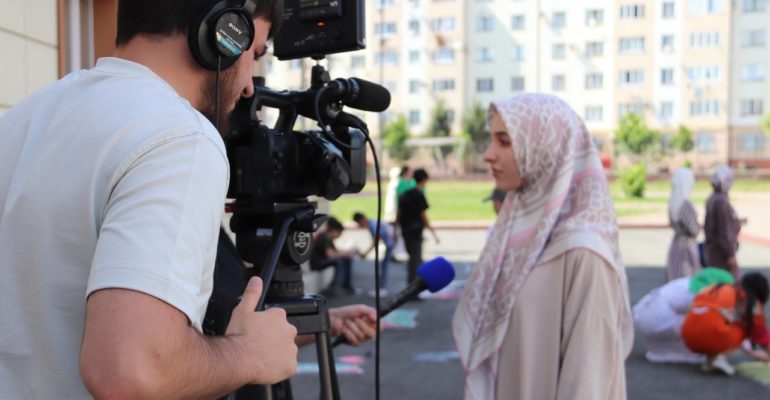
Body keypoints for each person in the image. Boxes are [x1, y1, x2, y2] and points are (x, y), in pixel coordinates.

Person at [0, 1, 300, 398]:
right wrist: (252, 354)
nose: (249, 86)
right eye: (254, 55)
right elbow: (131, 373)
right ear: (223, 32)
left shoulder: (23, 118)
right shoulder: (180, 137)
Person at [452, 93, 633, 400]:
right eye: (492, 140)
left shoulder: (584, 251)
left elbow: (587, 384)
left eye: (504, 142)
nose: (488, 154)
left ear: (546, 148)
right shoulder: (516, 230)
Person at [633, 267, 735, 365]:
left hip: (642, 314)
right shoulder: (702, 293)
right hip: (656, 320)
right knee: (703, 324)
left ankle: (661, 351)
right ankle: (686, 354)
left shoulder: (684, 283)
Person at [681, 272, 770, 375]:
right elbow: (761, 335)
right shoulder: (750, 301)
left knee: (720, 321)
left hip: (687, 335)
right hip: (710, 336)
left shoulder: (717, 287)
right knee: (746, 326)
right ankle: (717, 357)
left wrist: (751, 352)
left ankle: (711, 358)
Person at [397, 168, 440, 293]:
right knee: (415, 261)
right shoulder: (420, 195)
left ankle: (411, 287)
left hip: (405, 231)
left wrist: (396, 231)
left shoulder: (404, 194)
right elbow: (424, 216)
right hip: (415, 232)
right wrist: (434, 233)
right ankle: (413, 289)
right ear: (424, 180)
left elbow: (398, 214)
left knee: (412, 259)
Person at [704, 165, 742, 280]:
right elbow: (724, 231)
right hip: (720, 255)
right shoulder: (721, 202)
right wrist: (730, 255)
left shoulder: (713, 198)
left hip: (713, 252)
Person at [666, 167, 702, 281]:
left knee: (675, 280)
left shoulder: (673, 202)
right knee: (687, 283)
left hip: (676, 244)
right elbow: (695, 230)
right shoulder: (686, 204)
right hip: (687, 248)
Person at [310, 217, 359, 295]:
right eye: (339, 233)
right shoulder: (325, 237)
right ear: (334, 230)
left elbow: (336, 251)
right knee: (338, 261)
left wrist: (348, 253)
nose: (339, 235)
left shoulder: (327, 237)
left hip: (321, 261)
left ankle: (346, 286)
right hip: (317, 263)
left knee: (347, 259)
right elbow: (330, 255)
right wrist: (346, 253)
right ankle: (334, 287)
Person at [353, 212, 395, 297]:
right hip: (390, 242)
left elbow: (375, 241)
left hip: (390, 243)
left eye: (359, 223)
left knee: (384, 266)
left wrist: (366, 253)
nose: (360, 225)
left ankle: (382, 288)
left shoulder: (372, 225)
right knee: (383, 266)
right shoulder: (372, 223)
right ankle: (381, 288)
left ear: (362, 220)